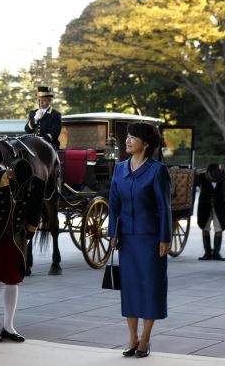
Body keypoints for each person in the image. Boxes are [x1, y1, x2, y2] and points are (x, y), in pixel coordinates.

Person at [108, 122, 172, 358]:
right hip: (127, 240)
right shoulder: (119, 169)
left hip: (151, 240)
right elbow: (113, 205)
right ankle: (132, 339)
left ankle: (145, 340)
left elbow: (165, 208)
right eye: (127, 136)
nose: (127, 140)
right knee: (131, 289)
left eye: (133, 137)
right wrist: (112, 233)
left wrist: (165, 238)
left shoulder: (157, 171)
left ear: (145, 144)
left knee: (150, 288)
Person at [0, 160, 44, 343]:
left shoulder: (37, 184)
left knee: (13, 281)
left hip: (16, 238)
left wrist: (28, 236)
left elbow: (35, 213)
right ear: (10, 173)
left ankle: (9, 325)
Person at [197, 163, 225, 260]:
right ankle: (207, 253)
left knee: (219, 228)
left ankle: (216, 253)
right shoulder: (201, 176)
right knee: (205, 228)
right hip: (205, 206)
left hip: (219, 206)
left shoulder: (223, 175)